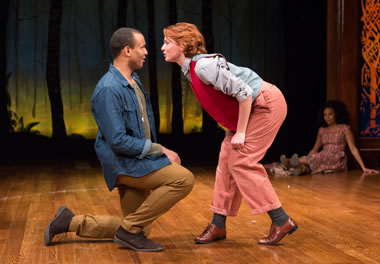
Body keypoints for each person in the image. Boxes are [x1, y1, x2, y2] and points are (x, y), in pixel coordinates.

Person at [44, 28, 194, 252]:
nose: (146, 52)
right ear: (127, 50)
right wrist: (160, 150)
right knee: (184, 179)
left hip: (138, 160)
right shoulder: (108, 89)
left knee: (141, 229)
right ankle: (128, 230)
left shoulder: (133, 80)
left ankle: (69, 222)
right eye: (142, 47)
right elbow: (118, 141)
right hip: (126, 165)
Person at [161, 22, 297, 246]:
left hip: (265, 103)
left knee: (241, 160)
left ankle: (280, 219)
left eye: (167, 42)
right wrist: (230, 126)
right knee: (226, 162)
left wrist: (241, 131)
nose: (163, 47)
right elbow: (222, 98)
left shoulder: (203, 66)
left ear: (183, 45)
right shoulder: (190, 69)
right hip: (249, 109)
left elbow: (244, 93)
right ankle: (218, 224)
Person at [280, 100, 380, 176]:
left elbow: (353, 148)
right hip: (323, 157)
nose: (328, 117)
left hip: (337, 158)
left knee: (318, 157)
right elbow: (315, 149)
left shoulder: (344, 128)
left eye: (330, 114)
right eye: (325, 115)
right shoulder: (322, 130)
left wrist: (364, 168)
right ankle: (300, 168)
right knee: (313, 162)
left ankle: (289, 161)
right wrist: (307, 158)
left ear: (336, 114)